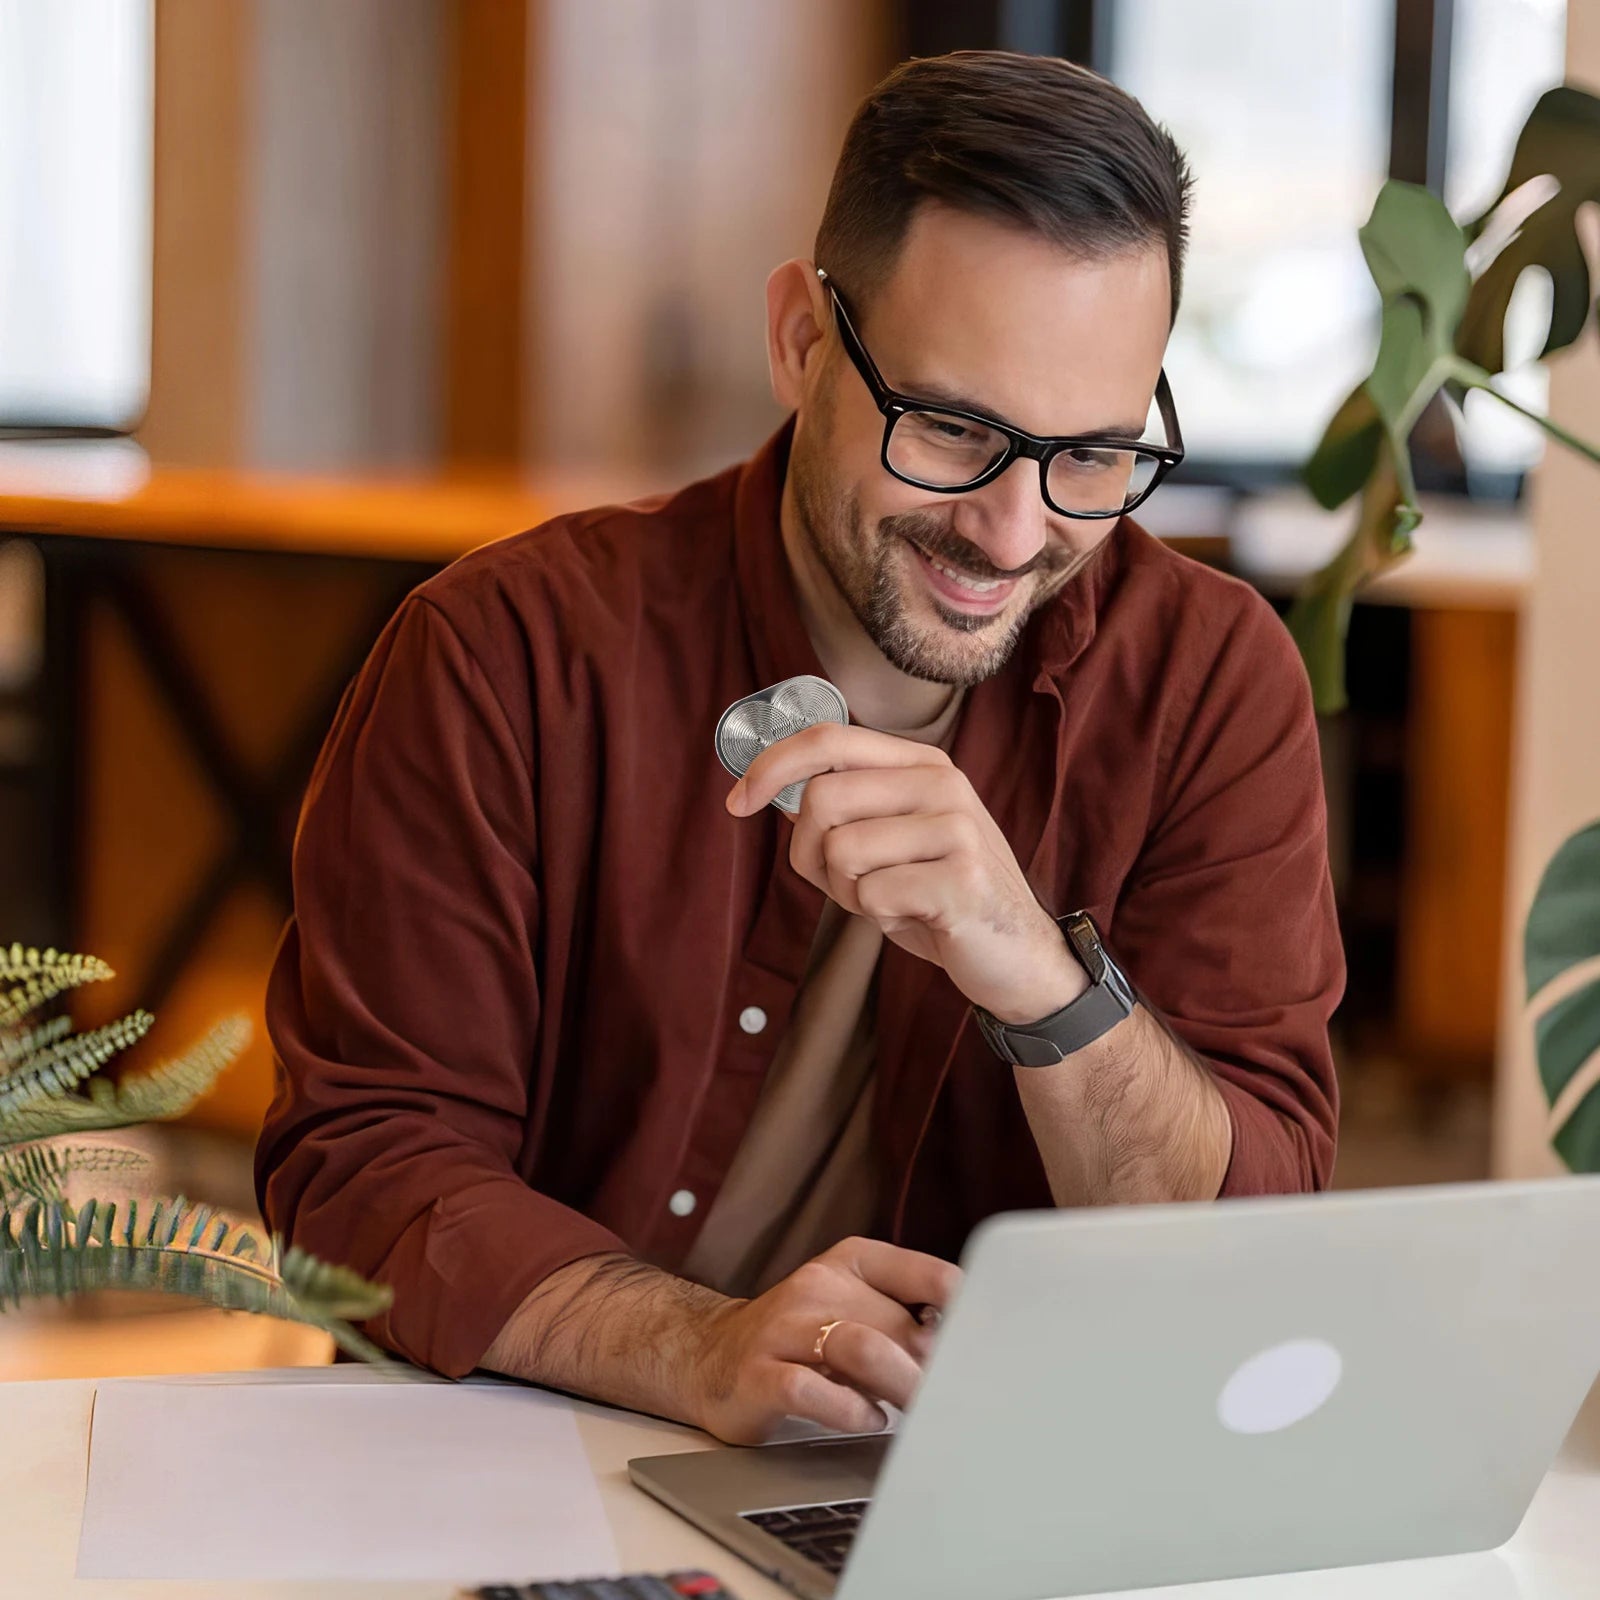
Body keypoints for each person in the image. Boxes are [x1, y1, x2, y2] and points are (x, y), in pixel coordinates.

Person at [257, 50, 1343, 1446]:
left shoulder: (1208, 682)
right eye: (950, 427)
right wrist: (695, 1346)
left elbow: (1245, 1263)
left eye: (1091, 455)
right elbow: (362, 1170)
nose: (1014, 533)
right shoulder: (504, 651)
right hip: (532, 1447)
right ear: (801, 340)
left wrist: (1038, 975)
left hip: (969, 1481)